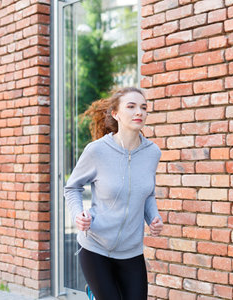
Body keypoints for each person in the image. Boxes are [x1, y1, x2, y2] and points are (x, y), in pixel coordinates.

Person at [64, 87, 163, 300]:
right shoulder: (97, 151)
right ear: (116, 114)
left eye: (143, 108)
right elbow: (72, 187)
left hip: (131, 251)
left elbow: (148, 193)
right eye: (131, 106)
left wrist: (153, 217)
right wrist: (77, 214)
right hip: (96, 247)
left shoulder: (152, 153)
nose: (139, 112)